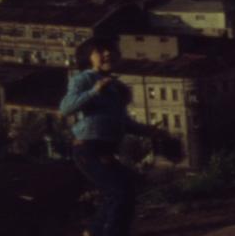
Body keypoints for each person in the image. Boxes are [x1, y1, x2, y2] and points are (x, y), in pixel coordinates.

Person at [60, 37, 166, 236]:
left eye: (109, 50)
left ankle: (94, 231)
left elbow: (122, 121)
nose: (107, 54)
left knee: (123, 188)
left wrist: (148, 130)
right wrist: (94, 91)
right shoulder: (83, 79)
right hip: (88, 147)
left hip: (104, 149)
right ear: (88, 58)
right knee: (119, 190)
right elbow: (66, 107)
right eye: (100, 51)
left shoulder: (114, 86)